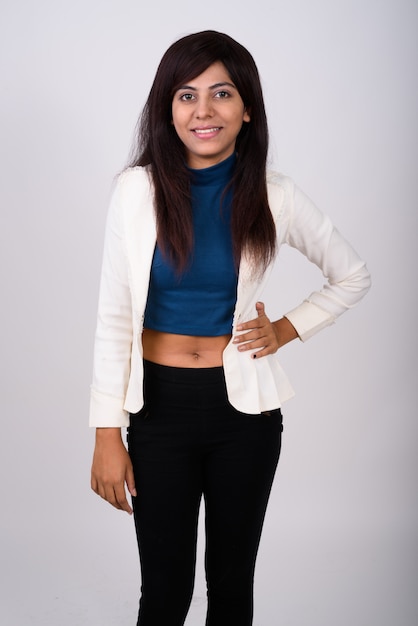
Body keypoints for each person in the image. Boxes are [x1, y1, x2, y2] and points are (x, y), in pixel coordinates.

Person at [89, 30, 371, 626]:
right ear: (167, 109)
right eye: (186, 95)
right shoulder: (136, 192)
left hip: (243, 414)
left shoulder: (275, 195)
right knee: (164, 592)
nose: (204, 111)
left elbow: (351, 275)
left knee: (232, 587)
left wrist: (287, 329)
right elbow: (115, 316)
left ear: (247, 109)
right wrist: (106, 433)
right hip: (158, 409)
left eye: (221, 93)